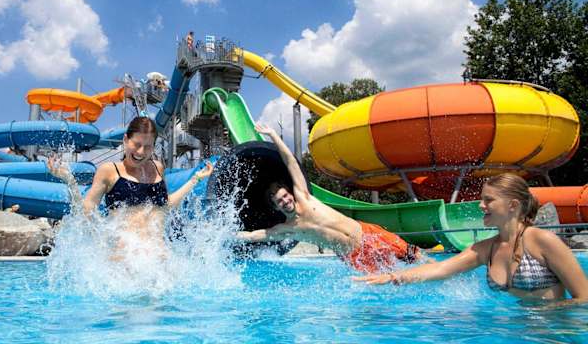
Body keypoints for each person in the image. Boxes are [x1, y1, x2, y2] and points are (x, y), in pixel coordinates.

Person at [354, 173, 588, 302]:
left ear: (513, 205)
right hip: (515, 333)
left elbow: (584, 298)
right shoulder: (486, 249)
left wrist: (547, 315)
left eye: (489, 200)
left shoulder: (542, 241)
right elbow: (441, 269)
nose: (481, 205)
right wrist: (394, 276)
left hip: (555, 333)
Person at [236, 124, 421, 273]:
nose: (285, 201)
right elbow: (254, 235)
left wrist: (273, 135)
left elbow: (291, 162)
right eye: (280, 201)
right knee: (387, 281)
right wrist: (225, 236)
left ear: (290, 193)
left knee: (415, 258)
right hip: (355, 256)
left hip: (367, 234)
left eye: (285, 195)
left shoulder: (304, 196)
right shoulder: (289, 229)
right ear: (276, 207)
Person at [47, 116, 213, 257]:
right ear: (126, 140)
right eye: (137, 144)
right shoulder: (109, 171)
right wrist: (70, 180)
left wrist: (195, 179)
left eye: (147, 147)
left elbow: (165, 206)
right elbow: (85, 213)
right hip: (124, 261)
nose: (141, 152)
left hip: (160, 260)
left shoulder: (158, 168)